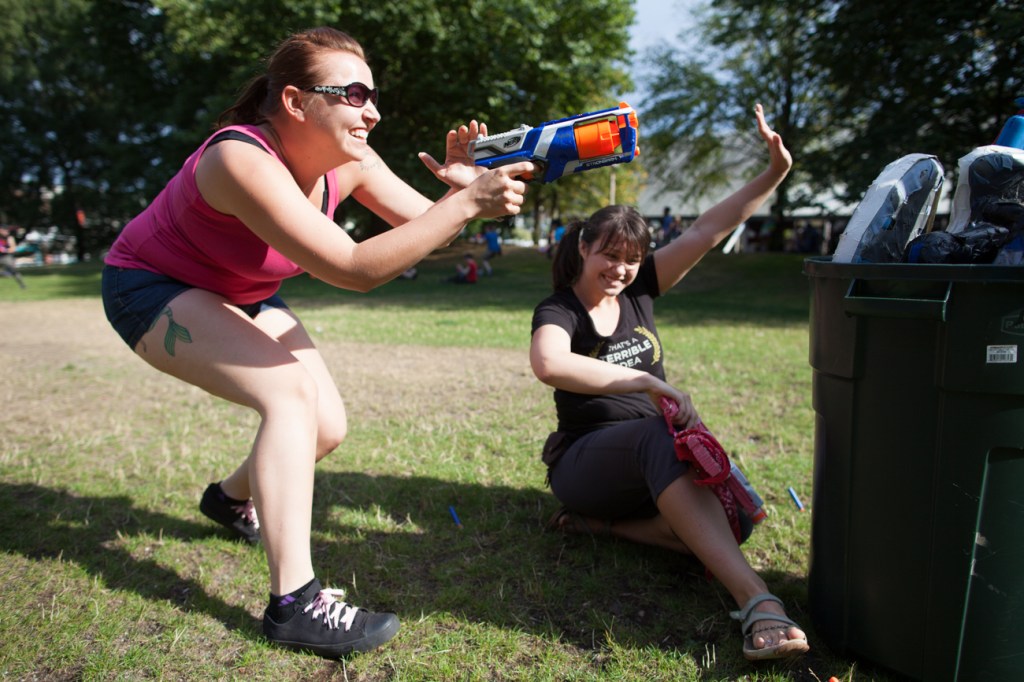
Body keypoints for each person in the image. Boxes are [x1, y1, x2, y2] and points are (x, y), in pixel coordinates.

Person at [101, 27, 531, 659]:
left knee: (325, 428)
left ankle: (229, 499)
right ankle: (294, 604)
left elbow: (430, 229)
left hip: (241, 290)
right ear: (295, 102)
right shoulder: (239, 158)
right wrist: (464, 205)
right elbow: (354, 268)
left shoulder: (352, 162)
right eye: (354, 94)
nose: (372, 111)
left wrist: (461, 192)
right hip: (150, 286)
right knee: (290, 398)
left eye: (373, 96)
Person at [529, 104, 808, 662]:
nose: (620, 269)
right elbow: (549, 363)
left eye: (631, 259)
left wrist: (775, 172)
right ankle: (758, 601)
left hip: (657, 457)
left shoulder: (640, 290)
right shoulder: (560, 309)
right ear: (583, 247)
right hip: (586, 463)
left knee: (732, 525)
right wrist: (646, 384)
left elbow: (708, 228)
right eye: (609, 255)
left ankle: (603, 528)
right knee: (661, 438)